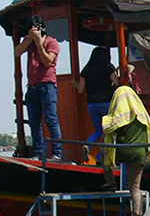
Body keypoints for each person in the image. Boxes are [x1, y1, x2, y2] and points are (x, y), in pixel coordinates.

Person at [101, 86, 150, 216]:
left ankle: (110, 181)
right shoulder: (142, 116)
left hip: (121, 152)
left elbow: (108, 128)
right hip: (138, 154)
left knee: (104, 152)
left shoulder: (119, 115)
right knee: (135, 187)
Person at [14, 15, 62, 161]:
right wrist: (30, 39)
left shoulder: (52, 42)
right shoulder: (29, 42)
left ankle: (57, 153)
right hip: (33, 87)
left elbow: (48, 62)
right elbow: (17, 52)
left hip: (48, 86)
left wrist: (39, 43)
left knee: (50, 119)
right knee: (34, 122)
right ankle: (38, 153)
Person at [73, 46, 118, 162]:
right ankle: (100, 157)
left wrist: (75, 83)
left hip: (92, 104)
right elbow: (117, 82)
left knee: (98, 130)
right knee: (110, 131)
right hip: (106, 102)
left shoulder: (86, 69)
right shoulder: (108, 67)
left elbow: (80, 89)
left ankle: (88, 145)